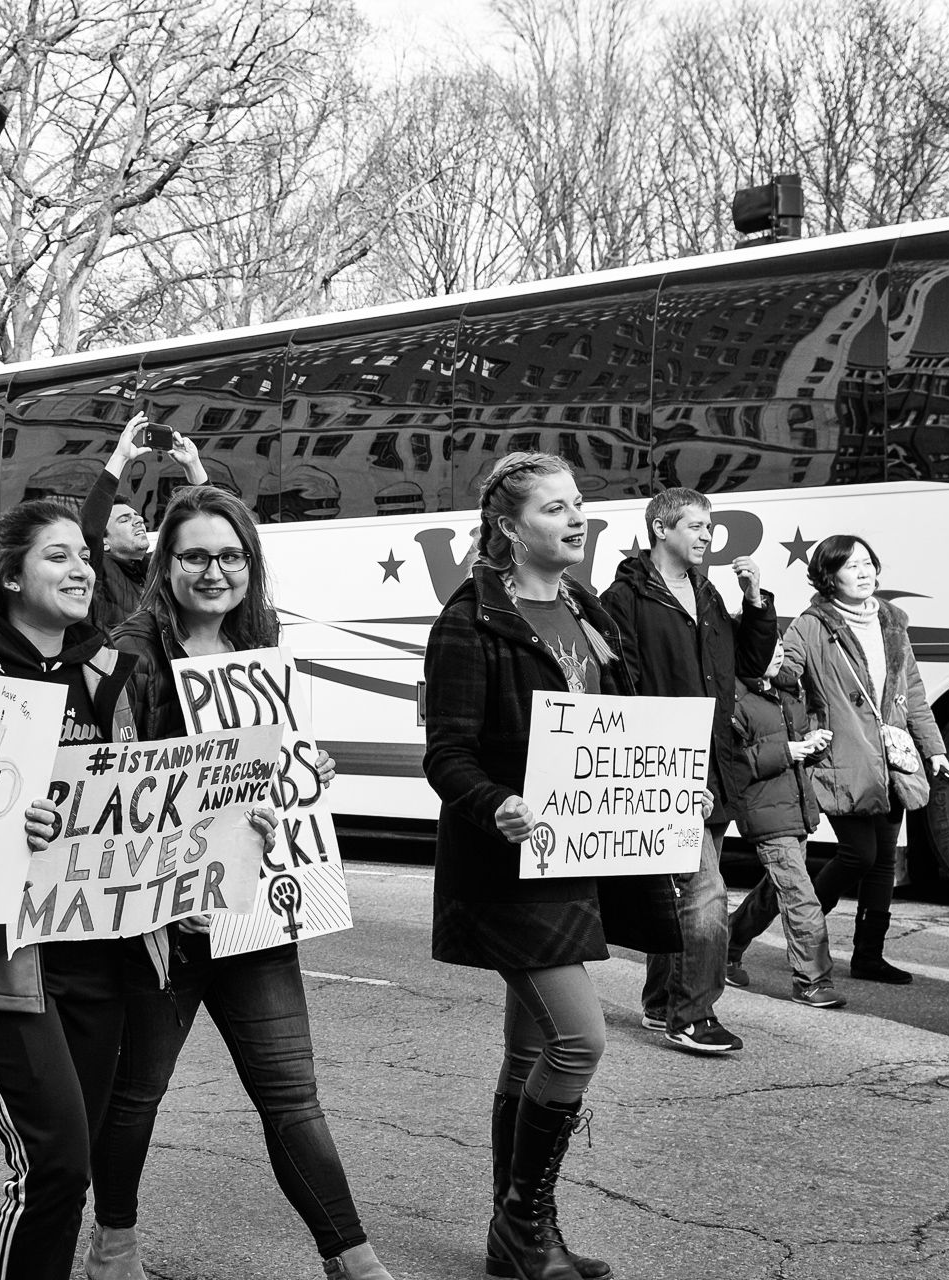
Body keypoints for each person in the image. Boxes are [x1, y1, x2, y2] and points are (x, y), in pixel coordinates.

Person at [87, 485, 391, 1280]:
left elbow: (272, 767)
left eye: (230, 556)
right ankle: (113, 1244)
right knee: (135, 1096)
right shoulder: (130, 655)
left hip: (255, 915)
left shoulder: (261, 648)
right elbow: (110, 790)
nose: (215, 570)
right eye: (195, 555)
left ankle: (353, 1260)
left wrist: (308, 766)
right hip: (165, 926)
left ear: (249, 565)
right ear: (166, 566)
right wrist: (166, 887)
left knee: (293, 1099)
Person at [423, 452, 683, 1280]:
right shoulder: (470, 621)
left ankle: (521, 1237)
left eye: (579, 504)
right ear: (508, 528)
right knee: (578, 1041)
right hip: (509, 864)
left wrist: (669, 784)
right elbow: (447, 754)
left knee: (526, 1052)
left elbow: (628, 721)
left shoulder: (586, 607)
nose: (576, 519)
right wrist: (495, 801)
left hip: (582, 858)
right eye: (554, 508)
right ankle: (523, 1226)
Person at [0, 499, 149, 1280]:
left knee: (74, 1169)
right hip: (8, 961)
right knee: (52, 1162)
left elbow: (148, 800)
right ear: (11, 574)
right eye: (57, 556)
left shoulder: (114, 672)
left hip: (100, 949)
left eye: (84, 556)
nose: (82, 569)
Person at [600, 487, 775, 1056]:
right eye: (697, 526)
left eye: (710, 527)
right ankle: (693, 1015)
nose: (708, 536)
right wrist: (669, 774)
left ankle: (660, 1005)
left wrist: (755, 602)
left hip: (713, 765)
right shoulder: (624, 598)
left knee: (676, 891)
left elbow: (747, 666)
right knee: (705, 893)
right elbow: (621, 690)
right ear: (661, 529)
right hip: (664, 767)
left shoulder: (708, 594)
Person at [779, 534, 949, 984]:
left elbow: (911, 692)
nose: (864, 571)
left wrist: (934, 751)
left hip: (892, 760)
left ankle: (869, 956)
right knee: (859, 853)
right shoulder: (813, 624)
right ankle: (803, 927)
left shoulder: (892, 622)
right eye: (851, 565)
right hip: (844, 758)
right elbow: (784, 676)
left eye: (868, 562)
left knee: (882, 861)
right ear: (829, 576)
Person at [722, 643, 845, 1006]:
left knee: (775, 893)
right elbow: (733, 764)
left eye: (778, 645)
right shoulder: (736, 700)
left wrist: (813, 744)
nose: (778, 653)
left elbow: (800, 745)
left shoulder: (787, 690)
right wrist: (789, 750)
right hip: (764, 812)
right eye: (768, 646)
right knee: (800, 895)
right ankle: (811, 981)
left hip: (796, 809)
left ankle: (728, 944)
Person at [80, 412, 207, 633]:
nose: (138, 519)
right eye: (124, 519)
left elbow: (212, 530)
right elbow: (89, 530)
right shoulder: (99, 572)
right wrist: (120, 456)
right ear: (105, 543)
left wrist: (193, 466)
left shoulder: (159, 566)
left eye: (136, 515)